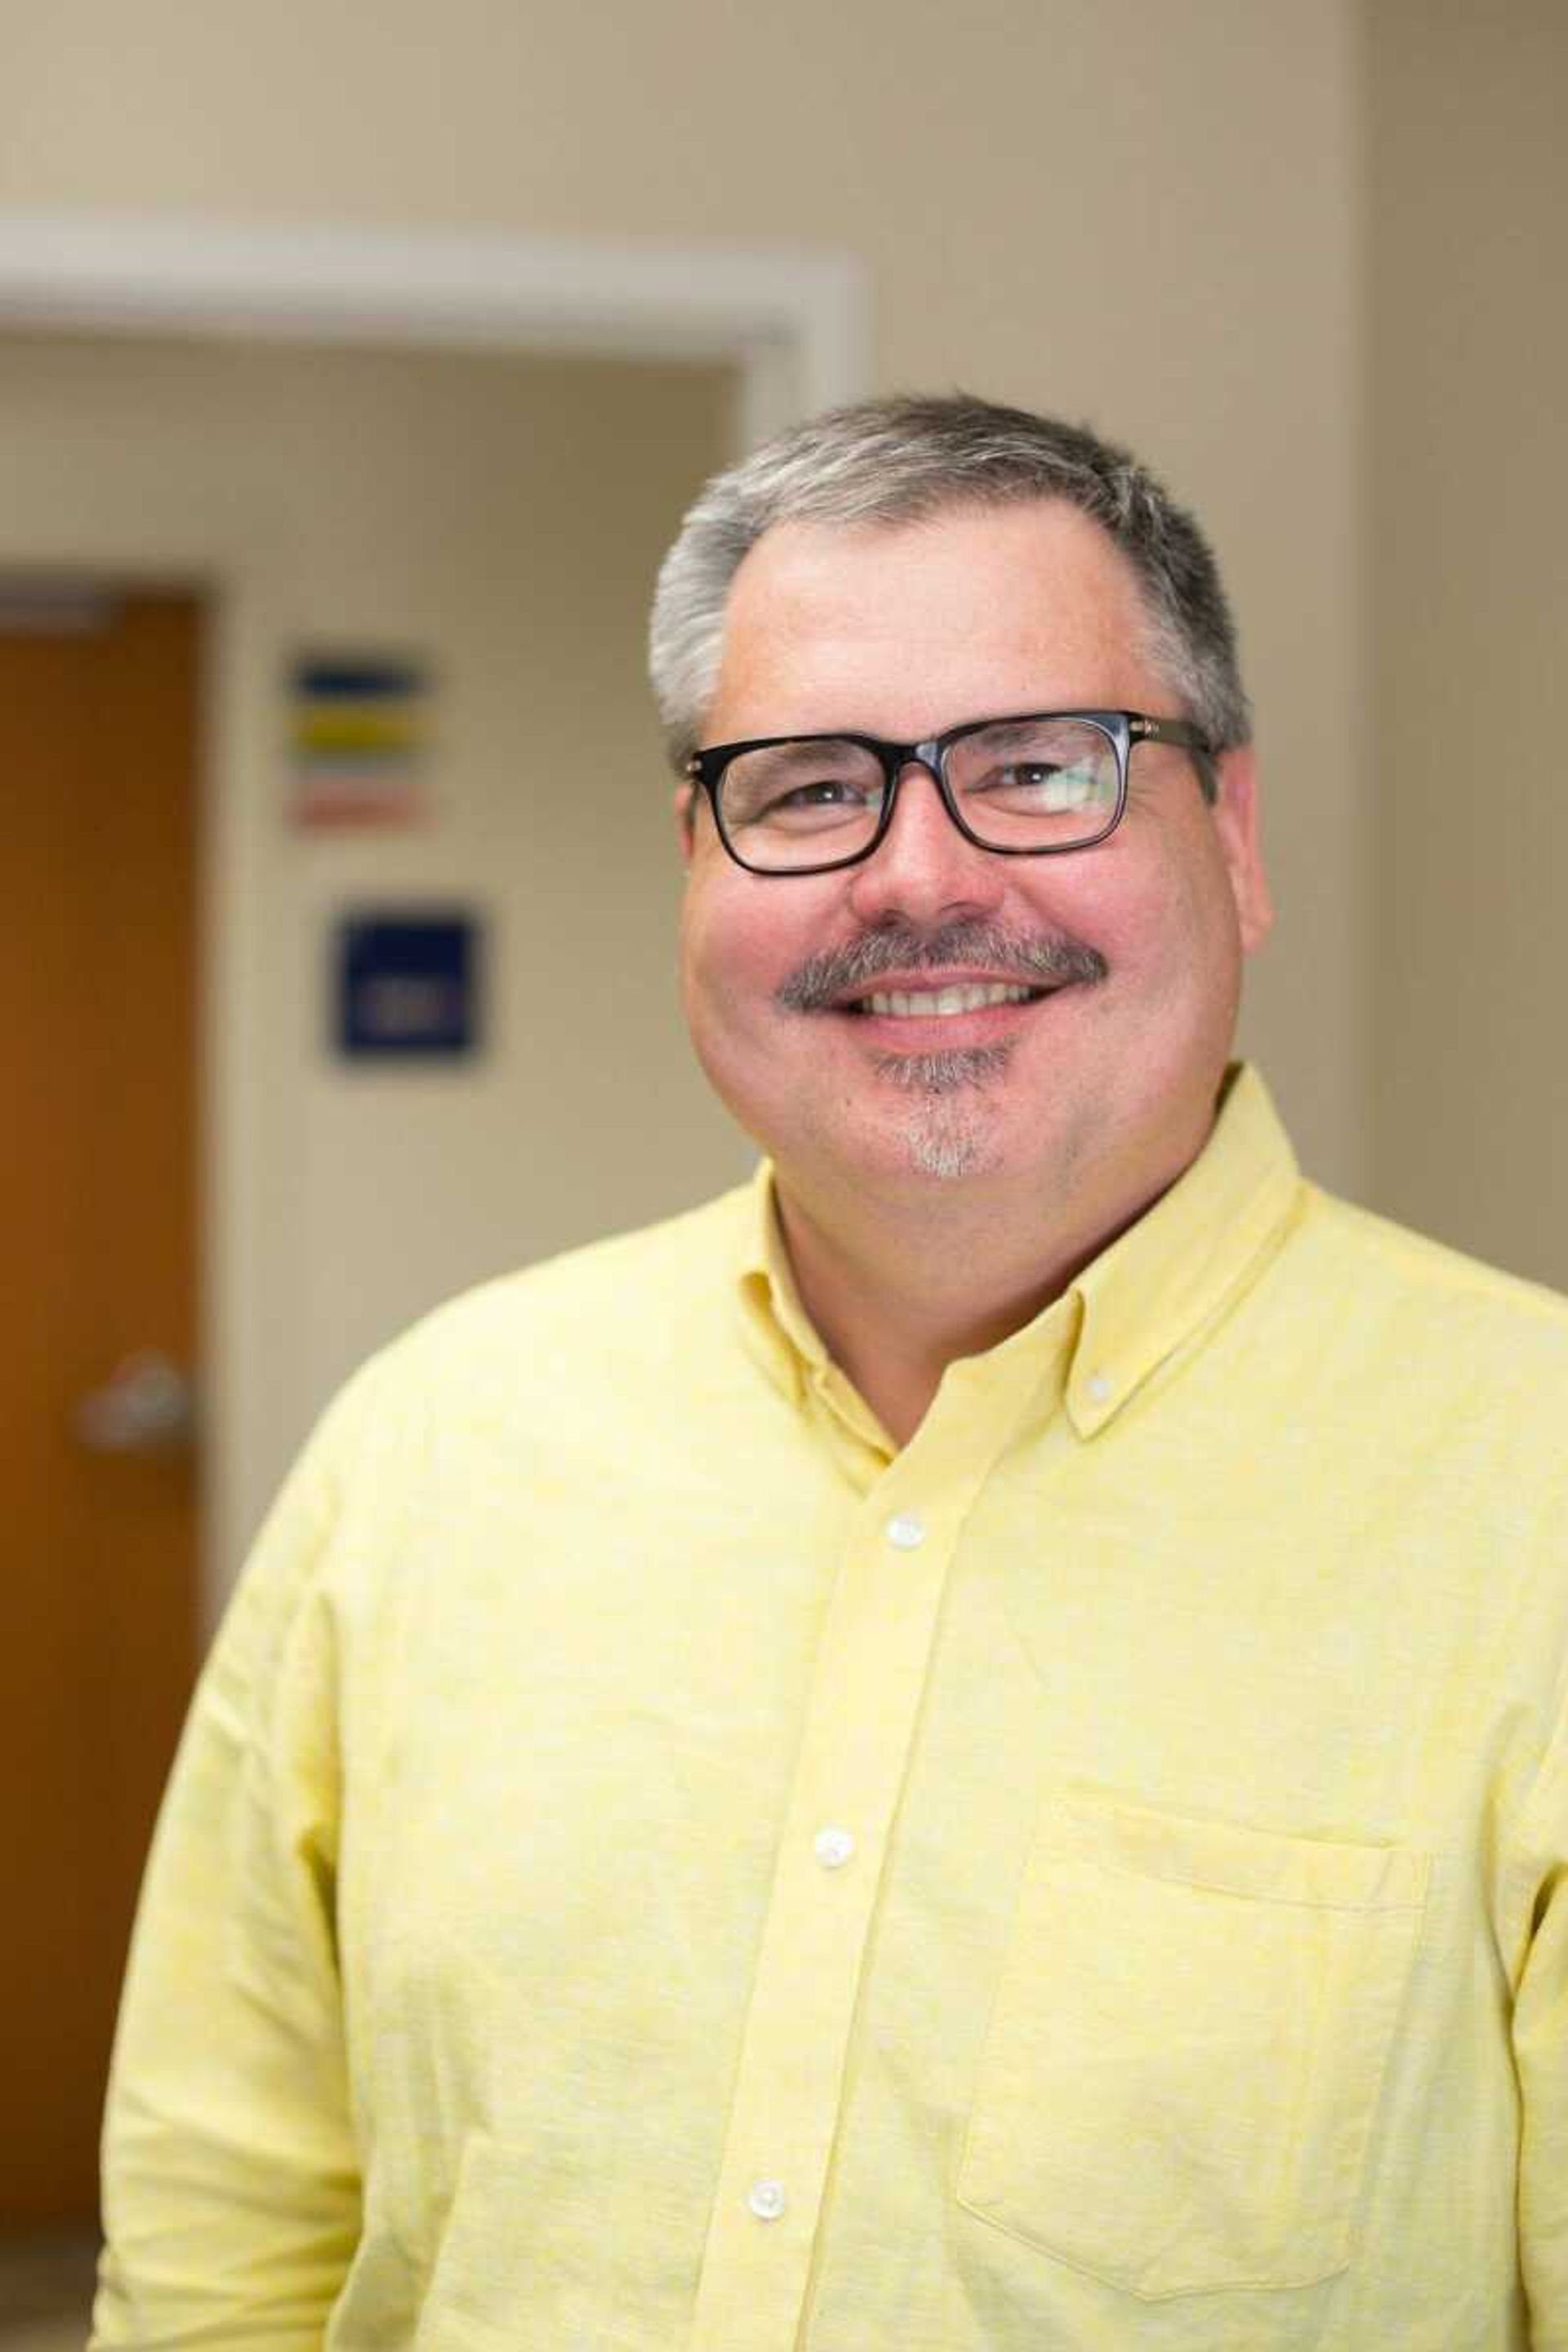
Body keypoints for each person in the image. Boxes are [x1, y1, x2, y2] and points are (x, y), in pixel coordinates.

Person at [92, 394, 1566, 2350]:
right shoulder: (429, 1450)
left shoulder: (1528, 1488)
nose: (914, 879)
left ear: (1233, 837)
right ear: (694, 864)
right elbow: (225, 2250)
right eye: (806, 790)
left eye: (1040, 768)